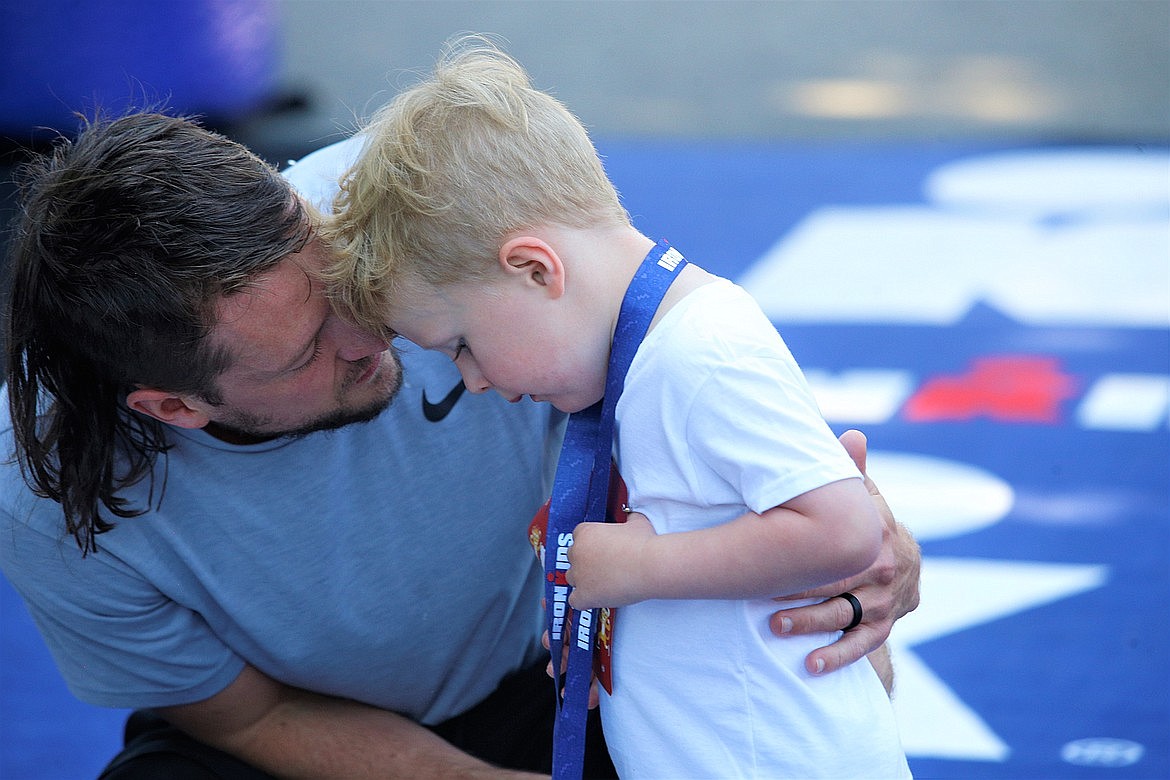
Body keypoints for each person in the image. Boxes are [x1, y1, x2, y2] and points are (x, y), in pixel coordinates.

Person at [0, 112, 919, 779]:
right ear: (173, 408)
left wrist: (857, 529)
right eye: (312, 351)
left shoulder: (422, 211)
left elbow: (679, 349)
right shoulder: (42, 494)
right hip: (324, 735)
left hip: (569, 665)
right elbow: (248, 718)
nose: (374, 337)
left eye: (349, 290)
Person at [326, 39, 911, 779]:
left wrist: (640, 566)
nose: (474, 382)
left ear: (535, 270)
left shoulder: (702, 350)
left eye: (463, 344)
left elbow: (843, 527)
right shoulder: (639, 364)